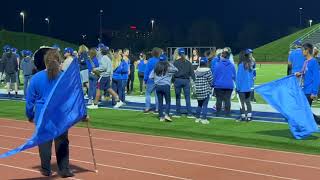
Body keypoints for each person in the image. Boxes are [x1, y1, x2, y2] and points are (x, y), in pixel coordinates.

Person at [26, 49, 76, 178]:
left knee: (44, 143)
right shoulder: (64, 77)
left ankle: (46, 169)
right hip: (60, 116)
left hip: (42, 116)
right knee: (62, 143)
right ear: (59, 61)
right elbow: (71, 98)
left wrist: (30, 115)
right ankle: (64, 169)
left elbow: (30, 100)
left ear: (45, 62)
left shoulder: (36, 78)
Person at [295, 43, 320, 125]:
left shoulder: (314, 62)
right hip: (304, 89)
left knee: (304, 110)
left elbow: (317, 78)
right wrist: (299, 73)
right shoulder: (306, 62)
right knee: (304, 110)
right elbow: (304, 72)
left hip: (310, 91)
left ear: (307, 50)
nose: (302, 52)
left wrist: (314, 92)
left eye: (303, 50)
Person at [151, 55, 178, 121]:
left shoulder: (156, 67)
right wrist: (169, 63)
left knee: (160, 102)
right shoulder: (168, 67)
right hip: (166, 85)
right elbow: (176, 70)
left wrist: (157, 79)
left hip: (158, 86)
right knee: (168, 101)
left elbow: (150, 76)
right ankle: (166, 115)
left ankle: (161, 117)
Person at [213, 49, 236, 117]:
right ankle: (227, 113)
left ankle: (218, 113)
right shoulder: (231, 65)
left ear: (222, 57)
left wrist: (212, 84)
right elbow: (234, 76)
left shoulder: (218, 64)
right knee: (227, 100)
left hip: (219, 85)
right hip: (228, 85)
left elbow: (215, 75)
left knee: (219, 99)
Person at [173, 48, 195, 118]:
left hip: (177, 80)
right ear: (185, 54)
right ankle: (189, 113)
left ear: (178, 54)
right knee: (187, 98)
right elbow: (192, 73)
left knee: (178, 97)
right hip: (186, 81)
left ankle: (178, 113)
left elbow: (172, 73)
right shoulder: (188, 63)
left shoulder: (175, 62)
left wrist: (172, 81)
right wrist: (195, 81)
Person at [236, 50, 254, 121]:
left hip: (242, 88)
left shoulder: (241, 65)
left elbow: (239, 78)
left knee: (241, 102)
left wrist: (237, 88)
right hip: (248, 88)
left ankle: (243, 116)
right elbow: (251, 77)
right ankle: (249, 116)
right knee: (248, 102)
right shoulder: (250, 64)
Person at [194, 57, 213, 124]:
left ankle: (197, 118)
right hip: (205, 90)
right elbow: (211, 81)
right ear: (206, 63)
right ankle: (204, 119)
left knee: (199, 105)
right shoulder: (208, 71)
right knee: (205, 105)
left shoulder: (196, 71)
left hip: (198, 90)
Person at [144, 47, 162, 113]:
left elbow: (147, 71)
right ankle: (157, 108)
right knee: (157, 95)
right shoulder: (160, 60)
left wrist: (145, 80)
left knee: (148, 94)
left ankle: (147, 108)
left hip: (150, 80)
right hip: (158, 80)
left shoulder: (150, 60)